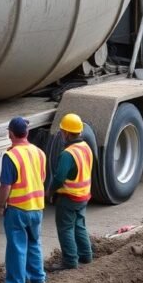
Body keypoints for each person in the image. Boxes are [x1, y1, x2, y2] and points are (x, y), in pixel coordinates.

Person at [0, 117, 48, 283]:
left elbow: (5, 185)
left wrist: (1, 205)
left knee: (16, 248)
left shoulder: (11, 155)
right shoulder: (40, 152)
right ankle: (38, 279)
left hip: (17, 209)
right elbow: (41, 178)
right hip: (36, 207)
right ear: (27, 132)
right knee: (34, 243)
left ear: (10, 134)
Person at [49, 113, 94, 271]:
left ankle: (70, 261)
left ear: (67, 133)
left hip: (69, 197)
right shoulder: (86, 147)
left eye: (62, 131)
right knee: (79, 225)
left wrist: (50, 191)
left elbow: (59, 177)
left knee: (65, 228)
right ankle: (86, 255)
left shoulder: (68, 154)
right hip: (83, 195)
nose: (61, 134)